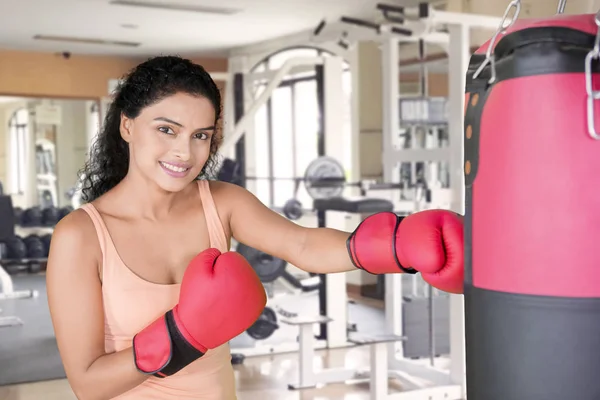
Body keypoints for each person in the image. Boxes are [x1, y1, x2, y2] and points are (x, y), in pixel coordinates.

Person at [46, 55, 464, 400]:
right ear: (127, 126)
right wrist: (182, 333)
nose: (183, 151)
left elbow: (300, 244)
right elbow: (88, 383)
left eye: (201, 135)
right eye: (166, 129)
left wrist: (394, 246)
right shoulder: (80, 237)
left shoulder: (221, 201)